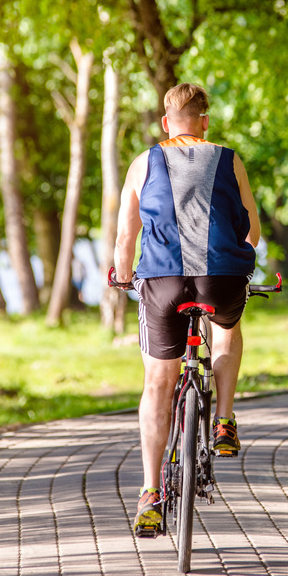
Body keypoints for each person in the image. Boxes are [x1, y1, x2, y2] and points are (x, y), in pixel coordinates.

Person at [113, 82, 261, 535]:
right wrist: (236, 263)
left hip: (162, 279)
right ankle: (222, 422)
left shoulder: (142, 163)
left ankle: (150, 491)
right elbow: (252, 230)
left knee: (158, 380)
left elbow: (125, 238)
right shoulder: (229, 158)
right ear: (205, 121)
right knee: (227, 327)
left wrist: (122, 277)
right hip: (222, 276)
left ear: (165, 123)